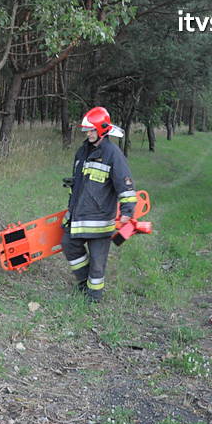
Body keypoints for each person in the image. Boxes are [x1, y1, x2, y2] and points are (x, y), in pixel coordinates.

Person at [61, 106, 137, 303]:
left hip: (101, 219)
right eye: (87, 130)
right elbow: (77, 185)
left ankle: (94, 297)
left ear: (102, 129)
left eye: (92, 130)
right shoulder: (82, 152)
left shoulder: (113, 154)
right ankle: (83, 282)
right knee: (69, 244)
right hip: (80, 215)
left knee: (97, 262)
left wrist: (128, 210)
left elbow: (125, 184)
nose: (88, 133)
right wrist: (70, 211)